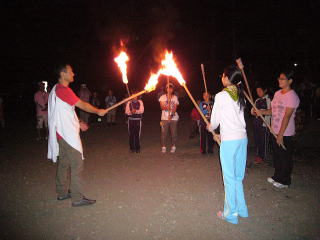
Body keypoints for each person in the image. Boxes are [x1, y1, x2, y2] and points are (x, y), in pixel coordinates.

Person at [47, 63, 108, 207]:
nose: (73, 74)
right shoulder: (63, 90)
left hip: (61, 134)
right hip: (66, 135)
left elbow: (67, 111)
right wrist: (98, 111)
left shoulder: (57, 89)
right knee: (76, 165)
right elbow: (82, 105)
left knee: (64, 164)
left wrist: (79, 122)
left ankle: (62, 193)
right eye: (71, 71)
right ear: (63, 74)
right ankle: (77, 198)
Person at [208, 65, 248, 224]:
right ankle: (242, 209)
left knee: (230, 178)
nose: (221, 78)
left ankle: (230, 214)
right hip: (242, 138)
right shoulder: (240, 94)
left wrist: (210, 127)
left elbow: (215, 121)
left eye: (223, 75)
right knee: (238, 177)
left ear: (227, 77)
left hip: (230, 141)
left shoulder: (221, 96)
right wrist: (217, 131)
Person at [256, 70, 300, 188]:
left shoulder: (292, 96)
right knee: (277, 155)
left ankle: (285, 180)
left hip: (285, 132)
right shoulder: (277, 93)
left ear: (290, 81)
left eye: (282, 79)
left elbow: (286, 116)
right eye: (279, 78)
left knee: (285, 156)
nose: (279, 80)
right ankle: (277, 176)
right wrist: (261, 112)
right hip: (274, 129)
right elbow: (273, 111)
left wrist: (281, 134)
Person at [250, 84, 271, 164]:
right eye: (257, 91)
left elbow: (271, 112)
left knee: (263, 140)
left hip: (264, 124)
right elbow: (252, 111)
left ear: (264, 90)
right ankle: (258, 155)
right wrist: (254, 112)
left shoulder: (268, 100)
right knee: (257, 140)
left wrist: (261, 112)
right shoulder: (257, 100)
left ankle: (263, 156)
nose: (258, 92)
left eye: (260, 91)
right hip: (256, 123)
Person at [159, 83, 179, 153]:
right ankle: (163, 146)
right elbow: (161, 107)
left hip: (173, 118)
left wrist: (171, 115)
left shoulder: (175, 97)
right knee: (164, 133)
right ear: (166, 89)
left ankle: (173, 146)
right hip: (164, 118)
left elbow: (175, 108)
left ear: (172, 89)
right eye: (167, 88)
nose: (169, 89)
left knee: (173, 133)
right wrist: (166, 107)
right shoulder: (162, 97)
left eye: (171, 88)